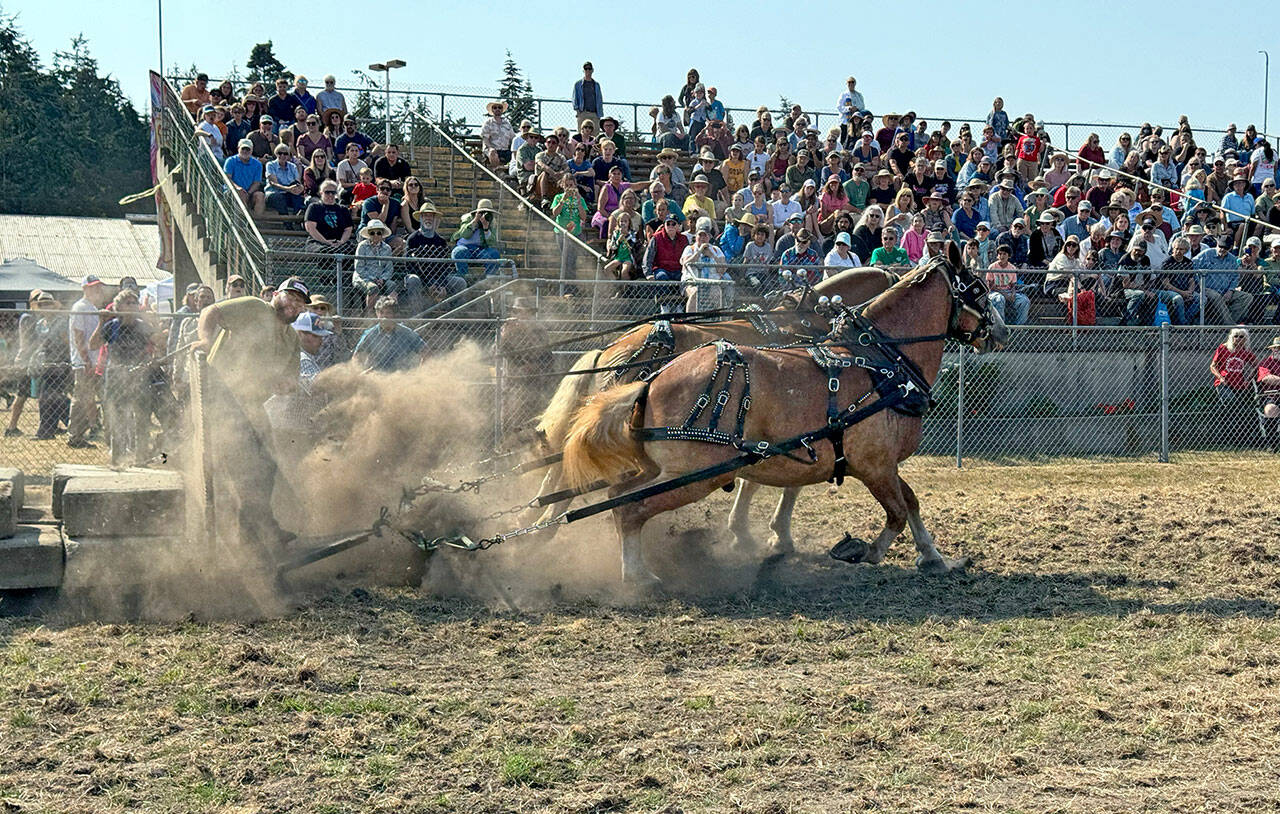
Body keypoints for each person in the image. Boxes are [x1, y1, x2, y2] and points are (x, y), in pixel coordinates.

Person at [196, 277, 310, 556]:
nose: (293, 305)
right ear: (277, 295)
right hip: (222, 394)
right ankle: (252, 538)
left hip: (249, 404)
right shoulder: (255, 307)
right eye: (290, 297)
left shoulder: (291, 339)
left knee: (268, 465)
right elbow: (211, 312)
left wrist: (285, 385)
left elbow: (289, 380)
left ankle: (260, 530)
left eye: (299, 302)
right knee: (250, 468)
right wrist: (205, 340)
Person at [89, 289, 153, 467]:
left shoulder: (143, 326)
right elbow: (93, 345)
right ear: (119, 306)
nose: (132, 306)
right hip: (116, 376)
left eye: (134, 302)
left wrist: (153, 322)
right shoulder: (112, 326)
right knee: (117, 418)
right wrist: (101, 321)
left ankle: (141, 458)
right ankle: (117, 459)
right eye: (128, 303)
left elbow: (160, 343)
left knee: (141, 418)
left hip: (139, 376)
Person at [67, 275, 109, 449]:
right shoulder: (80, 307)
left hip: (96, 362)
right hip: (85, 363)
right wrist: (86, 361)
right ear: (85, 289)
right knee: (82, 398)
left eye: (98, 287)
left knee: (99, 398)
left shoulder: (92, 307)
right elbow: (79, 336)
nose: (97, 290)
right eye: (93, 287)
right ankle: (75, 435)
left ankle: (97, 429)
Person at [354, 296, 427, 372]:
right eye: (381, 312)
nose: (384, 316)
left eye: (388, 313)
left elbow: (426, 352)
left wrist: (419, 373)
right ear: (377, 314)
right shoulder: (370, 334)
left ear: (394, 314)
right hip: (376, 375)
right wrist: (361, 373)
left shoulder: (407, 333)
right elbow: (357, 356)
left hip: (402, 376)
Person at [1193, 242, 1253, 324]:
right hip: (1206, 289)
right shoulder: (1206, 254)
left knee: (1247, 297)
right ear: (1217, 244)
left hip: (1225, 290)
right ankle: (1230, 325)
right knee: (1216, 296)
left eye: (1225, 248)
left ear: (1230, 248)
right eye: (1220, 246)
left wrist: (1230, 290)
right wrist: (1199, 284)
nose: (1222, 249)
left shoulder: (1232, 259)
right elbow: (1192, 266)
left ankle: (1222, 324)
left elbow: (1235, 277)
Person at [680, 217, 730, 311]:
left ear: (709, 237)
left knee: (717, 294)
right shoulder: (690, 249)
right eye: (700, 235)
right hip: (692, 282)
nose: (702, 238)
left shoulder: (716, 250)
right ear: (696, 236)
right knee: (695, 293)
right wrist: (699, 252)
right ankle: (691, 320)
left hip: (712, 282)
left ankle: (717, 321)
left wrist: (712, 256)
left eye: (705, 236)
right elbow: (685, 264)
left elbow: (722, 269)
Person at [551, 172, 591, 280]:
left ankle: (570, 284)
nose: (569, 188)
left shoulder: (580, 199)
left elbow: (583, 217)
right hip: (561, 232)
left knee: (572, 259)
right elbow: (555, 213)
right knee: (565, 258)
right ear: (562, 185)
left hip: (575, 233)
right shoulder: (558, 197)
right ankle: (565, 285)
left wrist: (578, 201)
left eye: (571, 185)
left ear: (575, 185)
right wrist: (563, 200)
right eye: (567, 185)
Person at [353, 219, 395, 314]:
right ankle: (370, 315)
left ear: (382, 234)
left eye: (378, 232)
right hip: (363, 278)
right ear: (369, 234)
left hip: (380, 278)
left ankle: (390, 315)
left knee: (392, 286)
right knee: (373, 288)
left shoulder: (387, 248)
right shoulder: (362, 246)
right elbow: (359, 268)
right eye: (372, 233)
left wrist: (383, 279)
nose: (375, 235)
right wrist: (373, 279)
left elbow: (389, 268)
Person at [451, 199, 501, 278]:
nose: (485, 215)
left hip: (481, 249)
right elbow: (464, 234)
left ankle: (490, 280)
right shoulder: (468, 218)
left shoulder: (491, 221)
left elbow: (492, 242)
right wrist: (475, 221)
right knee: (459, 252)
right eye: (482, 212)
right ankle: (463, 278)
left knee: (494, 254)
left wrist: (486, 229)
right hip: (465, 247)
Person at [303, 180, 354, 253]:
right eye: (327, 192)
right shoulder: (314, 207)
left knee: (352, 250)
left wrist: (341, 242)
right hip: (318, 242)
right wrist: (326, 242)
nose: (330, 195)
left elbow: (348, 229)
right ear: (321, 193)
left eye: (333, 192)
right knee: (324, 251)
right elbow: (310, 228)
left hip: (339, 242)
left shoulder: (343, 209)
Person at [1210, 327, 1256, 405]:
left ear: (1245, 339)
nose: (1238, 338)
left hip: (1239, 384)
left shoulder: (1245, 351)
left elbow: (1257, 366)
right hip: (1225, 383)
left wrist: (1248, 379)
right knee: (1230, 403)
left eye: (1241, 336)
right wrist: (1221, 378)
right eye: (1236, 336)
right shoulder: (1223, 348)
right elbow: (1212, 366)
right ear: (1231, 337)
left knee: (1238, 408)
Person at [986, 245, 1030, 324]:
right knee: (999, 299)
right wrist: (1005, 295)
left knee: (1024, 301)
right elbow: (991, 286)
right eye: (1000, 254)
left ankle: (1019, 326)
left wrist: (1013, 294)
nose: (1002, 256)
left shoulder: (1012, 268)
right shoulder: (992, 267)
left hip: (1008, 290)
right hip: (995, 292)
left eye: (1004, 254)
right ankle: (1000, 326)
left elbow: (1013, 284)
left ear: (1009, 256)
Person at [223, 140, 265, 217]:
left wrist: (248, 193)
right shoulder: (230, 161)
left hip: (249, 193)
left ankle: (258, 223)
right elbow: (227, 179)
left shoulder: (257, 164)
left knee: (260, 195)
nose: (245, 151)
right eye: (243, 149)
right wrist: (238, 188)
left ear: (252, 150)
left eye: (248, 149)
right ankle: (242, 222)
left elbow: (257, 182)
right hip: (231, 192)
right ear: (238, 148)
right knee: (241, 193)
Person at [643, 214, 688, 281]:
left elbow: (688, 257)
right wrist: (648, 274)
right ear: (664, 225)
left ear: (678, 226)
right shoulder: (656, 237)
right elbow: (648, 257)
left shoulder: (684, 239)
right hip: (661, 269)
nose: (670, 226)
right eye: (668, 224)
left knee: (686, 278)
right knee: (662, 276)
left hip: (678, 270)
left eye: (673, 224)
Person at [265, 144, 305, 215]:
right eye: (280, 153)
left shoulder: (293, 166)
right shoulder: (270, 165)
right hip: (274, 193)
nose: (283, 156)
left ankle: (297, 216)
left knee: (297, 193)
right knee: (279, 197)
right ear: (276, 154)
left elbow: (297, 182)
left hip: (289, 194)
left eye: (285, 154)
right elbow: (274, 183)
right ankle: (287, 222)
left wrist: (300, 187)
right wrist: (288, 189)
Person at [1256, 336, 1280, 451]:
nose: (1278, 350)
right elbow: (1266, 378)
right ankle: (1272, 443)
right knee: (1271, 409)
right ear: (1272, 349)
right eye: (1276, 348)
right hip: (1272, 395)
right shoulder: (1266, 362)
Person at [480, 101, 515, 169]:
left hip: (505, 150)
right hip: (493, 150)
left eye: (499, 107)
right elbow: (485, 139)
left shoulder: (507, 123)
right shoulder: (488, 123)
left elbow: (512, 138)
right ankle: (497, 171)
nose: (497, 109)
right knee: (492, 153)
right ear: (492, 110)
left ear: (502, 110)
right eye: (495, 107)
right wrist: (490, 148)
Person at [573, 62, 603, 130]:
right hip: (583, 112)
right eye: (586, 69)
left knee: (595, 135)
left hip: (594, 113)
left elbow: (599, 99)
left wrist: (599, 114)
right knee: (582, 134)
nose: (588, 70)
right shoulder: (578, 84)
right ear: (583, 70)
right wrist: (578, 111)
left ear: (592, 70)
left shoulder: (596, 85)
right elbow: (574, 98)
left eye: (589, 69)